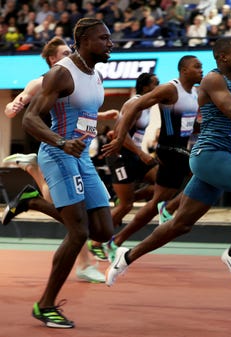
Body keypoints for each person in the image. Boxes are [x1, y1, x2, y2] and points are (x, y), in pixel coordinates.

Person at [103, 37, 231, 287]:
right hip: (209, 155)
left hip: (221, 157)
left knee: (180, 225)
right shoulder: (213, 79)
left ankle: (127, 256)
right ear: (223, 58)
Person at [22, 18, 114, 328]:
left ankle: (33, 201)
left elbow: (86, 116)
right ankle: (45, 304)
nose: (110, 43)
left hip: (82, 157)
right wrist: (62, 140)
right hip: (59, 154)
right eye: (104, 38)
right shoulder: (62, 73)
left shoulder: (95, 74)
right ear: (85, 41)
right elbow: (30, 119)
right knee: (79, 233)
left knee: (103, 231)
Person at [2, 36, 108, 284]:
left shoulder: (79, 79)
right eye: (62, 53)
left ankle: (32, 186)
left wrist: (104, 114)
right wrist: (15, 105)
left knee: (76, 214)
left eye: (69, 50)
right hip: (57, 151)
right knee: (74, 217)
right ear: (51, 59)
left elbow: (80, 110)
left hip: (77, 154)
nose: (68, 55)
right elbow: (20, 103)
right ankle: (84, 263)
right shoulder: (44, 80)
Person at [102, 55, 202, 262]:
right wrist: (120, 137)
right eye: (197, 66)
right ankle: (167, 208)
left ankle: (117, 241)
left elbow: (188, 125)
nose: (201, 70)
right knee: (205, 175)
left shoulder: (195, 93)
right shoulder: (169, 89)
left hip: (179, 149)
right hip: (168, 150)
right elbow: (133, 107)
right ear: (183, 70)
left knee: (155, 200)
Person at [88, 72, 159, 260]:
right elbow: (119, 134)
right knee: (127, 206)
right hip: (120, 156)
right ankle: (94, 243)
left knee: (162, 182)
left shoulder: (148, 106)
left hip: (133, 155)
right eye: (155, 84)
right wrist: (141, 153)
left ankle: (125, 197)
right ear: (144, 87)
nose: (159, 87)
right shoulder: (133, 103)